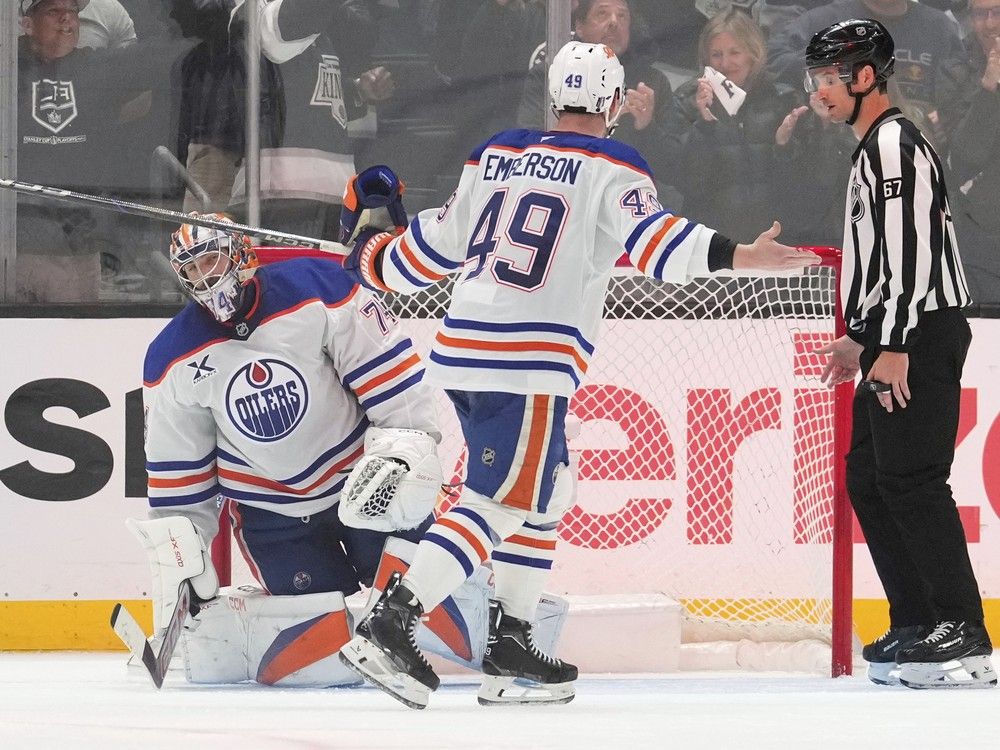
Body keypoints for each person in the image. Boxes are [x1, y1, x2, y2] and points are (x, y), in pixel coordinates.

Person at [334, 41, 820, 709]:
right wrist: (740, 255)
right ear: (613, 103)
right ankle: (393, 621)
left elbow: (435, 246)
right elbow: (655, 245)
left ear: (553, 96)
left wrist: (370, 258)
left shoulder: (496, 153)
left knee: (549, 489)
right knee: (501, 503)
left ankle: (511, 645)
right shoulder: (613, 165)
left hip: (467, 350)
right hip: (525, 361)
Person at [132, 214, 442, 686]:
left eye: (211, 261)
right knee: (321, 653)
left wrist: (406, 450)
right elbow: (181, 475)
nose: (204, 279)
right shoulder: (171, 357)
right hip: (272, 515)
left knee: (435, 614)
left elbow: (390, 378)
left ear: (241, 254)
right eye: (192, 270)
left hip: (364, 486)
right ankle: (244, 625)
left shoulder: (319, 287)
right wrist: (184, 559)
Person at [809, 19, 996, 690]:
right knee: (869, 476)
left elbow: (911, 254)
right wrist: (863, 340)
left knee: (913, 479)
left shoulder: (893, 144)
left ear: (866, 77)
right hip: (896, 333)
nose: (819, 90)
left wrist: (890, 345)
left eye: (831, 77)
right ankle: (918, 620)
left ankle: (963, 628)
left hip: (918, 334)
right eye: (814, 78)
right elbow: (890, 259)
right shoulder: (875, 147)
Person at [672, 7, 801, 240]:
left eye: (735, 52)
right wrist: (705, 123)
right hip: (712, 243)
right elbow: (689, 183)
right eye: (716, 54)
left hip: (774, 239)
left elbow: (798, 187)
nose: (725, 63)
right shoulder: (687, 101)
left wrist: (784, 147)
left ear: (753, 54)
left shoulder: (782, 99)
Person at [768, 0, 968, 148]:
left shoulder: (938, 27)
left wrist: (946, 118)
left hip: (916, 157)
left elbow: (963, 90)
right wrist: (830, 62)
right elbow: (773, 60)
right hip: (843, 159)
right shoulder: (825, 21)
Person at [945, 0, 1000, 306]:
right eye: (980, 14)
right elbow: (963, 157)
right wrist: (989, 87)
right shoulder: (955, 67)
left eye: (998, 13)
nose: (989, 24)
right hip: (977, 231)